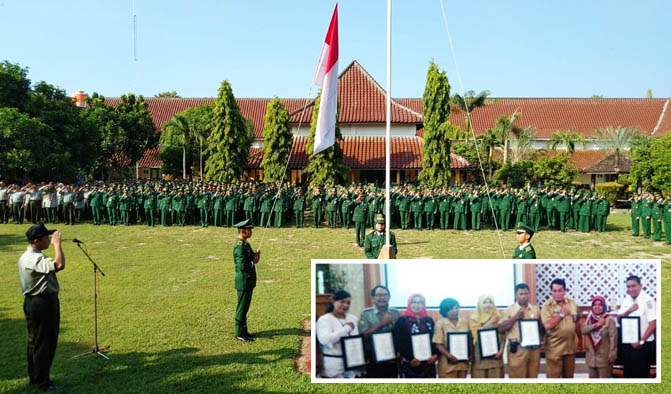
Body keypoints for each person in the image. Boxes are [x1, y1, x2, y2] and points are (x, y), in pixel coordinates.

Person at [18, 224, 65, 391]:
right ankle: (43, 381)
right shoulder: (34, 258)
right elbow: (59, 264)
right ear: (37, 241)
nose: (50, 239)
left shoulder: (30, 255)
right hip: (42, 303)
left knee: (34, 342)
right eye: (47, 238)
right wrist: (57, 245)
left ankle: (36, 377)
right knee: (44, 342)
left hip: (33, 302)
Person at [616, 275, 656, 378]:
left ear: (640, 286)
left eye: (634, 286)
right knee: (628, 374)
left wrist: (641, 341)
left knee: (641, 374)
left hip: (643, 344)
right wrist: (629, 311)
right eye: (628, 286)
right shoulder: (626, 300)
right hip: (628, 344)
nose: (631, 289)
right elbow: (619, 319)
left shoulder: (648, 301)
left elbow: (653, 325)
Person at [498, 283, 542, 378]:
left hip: (533, 349)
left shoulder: (536, 309)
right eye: (521, 294)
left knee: (533, 378)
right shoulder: (509, 310)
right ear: (515, 295)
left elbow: (541, 327)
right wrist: (515, 318)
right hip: (517, 349)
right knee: (517, 378)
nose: (524, 296)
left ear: (529, 294)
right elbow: (501, 328)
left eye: (526, 293)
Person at [316, 290, 361, 378]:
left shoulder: (353, 318)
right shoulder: (324, 319)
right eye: (342, 301)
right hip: (334, 365)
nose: (345, 305)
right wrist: (346, 329)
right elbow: (325, 340)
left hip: (352, 363)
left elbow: (357, 340)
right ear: (333, 301)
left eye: (348, 303)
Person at [358, 285, 400, 378]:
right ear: (373, 298)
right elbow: (364, 335)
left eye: (385, 295)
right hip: (373, 358)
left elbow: (399, 335)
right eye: (379, 295)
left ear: (389, 297)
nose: (382, 298)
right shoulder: (365, 313)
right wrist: (381, 324)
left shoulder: (395, 312)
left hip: (392, 357)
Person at [541, 278, 579, 378]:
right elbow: (548, 325)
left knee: (569, 378)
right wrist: (561, 315)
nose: (557, 293)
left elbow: (577, 321)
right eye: (554, 291)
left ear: (565, 291)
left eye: (560, 290)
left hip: (570, 349)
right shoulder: (546, 306)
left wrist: (579, 337)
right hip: (554, 350)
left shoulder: (572, 303)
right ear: (551, 292)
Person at [393, 294, 438, 378]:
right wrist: (410, 359)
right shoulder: (402, 320)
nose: (417, 305)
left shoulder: (429, 320)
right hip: (410, 364)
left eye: (420, 302)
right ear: (409, 303)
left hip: (428, 363)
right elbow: (398, 342)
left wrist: (435, 354)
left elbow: (434, 339)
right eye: (414, 302)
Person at [233, 219, 260, 342]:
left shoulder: (245, 244)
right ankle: (239, 333)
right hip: (243, 281)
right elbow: (242, 266)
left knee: (246, 307)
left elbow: (250, 258)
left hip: (248, 280)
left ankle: (244, 331)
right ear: (243, 231)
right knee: (242, 307)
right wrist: (252, 262)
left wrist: (256, 256)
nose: (251, 232)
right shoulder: (239, 247)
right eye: (249, 230)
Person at [469, 294, 505, 378]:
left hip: (496, 356)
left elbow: (503, 336)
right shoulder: (474, 318)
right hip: (480, 357)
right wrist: (490, 323)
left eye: (490, 302)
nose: (488, 304)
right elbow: (477, 336)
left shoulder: (498, 316)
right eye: (484, 302)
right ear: (479, 304)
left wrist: (501, 350)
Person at [581, 296, 617, 378]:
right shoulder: (589, 319)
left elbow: (613, 338)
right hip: (591, 358)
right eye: (595, 305)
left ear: (604, 306)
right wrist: (597, 325)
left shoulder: (609, 319)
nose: (597, 307)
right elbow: (583, 330)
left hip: (604, 358)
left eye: (600, 305)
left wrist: (612, 354)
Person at [433, 298, 469, 378]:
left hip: (462, 363)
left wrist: (470, 353)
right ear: (445, 311)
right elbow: (438, 344)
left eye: (456, 308)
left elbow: (468, 340)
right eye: (451, 309)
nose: (455, 311)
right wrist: (449, 356)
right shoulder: (440, 324)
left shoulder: (464, 322)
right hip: (447, 364)